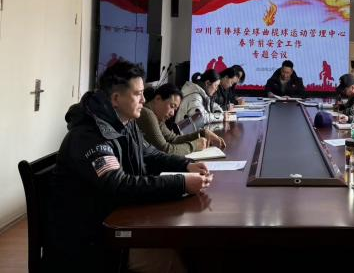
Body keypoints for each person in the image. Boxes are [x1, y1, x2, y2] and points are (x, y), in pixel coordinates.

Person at [46, 61, 213, 273]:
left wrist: (187, 165)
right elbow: (120, 185)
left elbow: (150, 154)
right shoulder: (89, 136)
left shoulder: (126, 123)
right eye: (138, 94)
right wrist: (181, 183)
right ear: (116, 99)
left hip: (121, 220)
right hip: (92, 241)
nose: (144, 100)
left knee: (189, 248)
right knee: (174, 260)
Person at [137, 83, 225, 156]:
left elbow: (173, 139)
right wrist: (194, 146)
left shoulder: (157, 116)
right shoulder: (147, 114)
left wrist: (203, 133)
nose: (172, 113)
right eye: (172, 106)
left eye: (175, 109)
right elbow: (165, 149)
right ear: (158, 99)